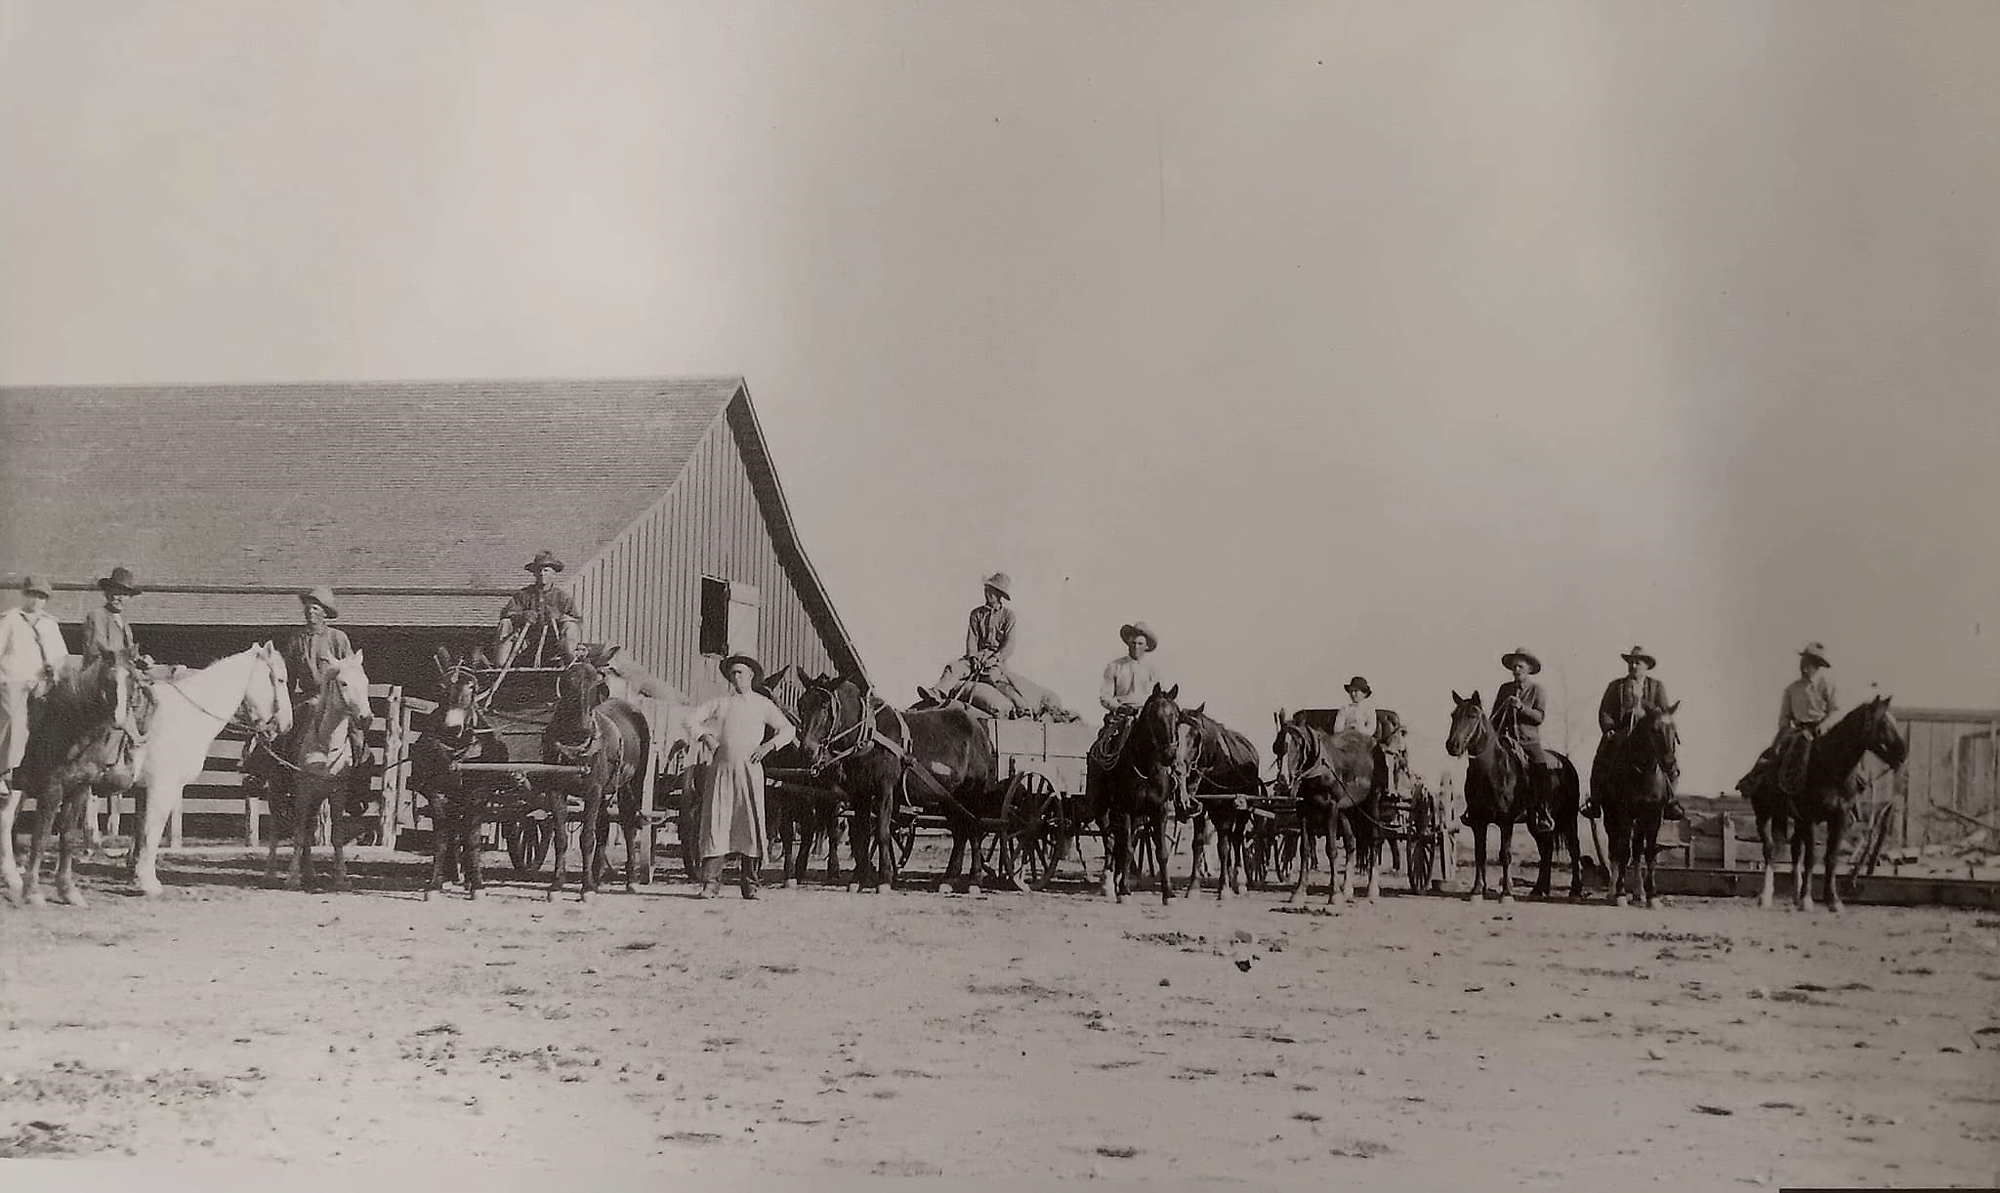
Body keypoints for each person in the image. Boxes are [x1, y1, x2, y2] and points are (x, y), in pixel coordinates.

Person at [689, 654, 796, 899]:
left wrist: (768, 747)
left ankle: (750, 886)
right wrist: (706, 737)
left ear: (751, 676)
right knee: (717, 823)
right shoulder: (721, 703)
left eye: (741, 673)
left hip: (750, 771)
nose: (736, 677)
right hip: (721, 772)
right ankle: (711, 884)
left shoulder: (762, 705)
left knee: (750, 825)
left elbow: (787, 729)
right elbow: (691, 719)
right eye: (733, 673)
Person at [1582, 646, 1682, 821]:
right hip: (1621, 733)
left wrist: (1646, 708)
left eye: (1638, 662)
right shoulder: (1616, 686)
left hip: (1649, 734)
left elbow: (1664, 711)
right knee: (1601, 757)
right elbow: (1605, 710)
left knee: (1667, 757)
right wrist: (1609, 728)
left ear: (1646, 666)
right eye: (1631, 662)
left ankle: (1671, 800)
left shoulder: (1656, 686)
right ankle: (1595, 800)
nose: (1633, 665)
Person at [281, 587, 368, 783]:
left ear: (324, 613)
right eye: (308, 608)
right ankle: (278, 772)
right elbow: (289, 677)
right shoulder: (296, 640)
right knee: (285, 732)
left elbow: (352, 669)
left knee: (358, 737)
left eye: (315, 608)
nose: (310, 612)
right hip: (307, 697)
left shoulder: (338, 638)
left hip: (335, 698)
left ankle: (358, 782)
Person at [1736, 643, 1839, 799]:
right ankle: (1754, 783)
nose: (1803, 664)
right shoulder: (1792, 689)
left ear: (1817, 665)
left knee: (1846, 754)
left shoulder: (1827, 685)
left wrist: (1824, 724)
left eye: (1808, 661)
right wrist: (1784, 732)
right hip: (1799, 730)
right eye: (1803, 660)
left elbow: (1835, 710)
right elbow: (1785, 716)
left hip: (1822, 729)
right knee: (1774, 753)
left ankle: (1852, 798)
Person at [0, 575, 70, 793]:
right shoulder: (9, 619)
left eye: (42, 597)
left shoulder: (49, 623)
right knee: (13, 720)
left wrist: (54, 669)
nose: (37, 601)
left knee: (50, 722)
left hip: (41, 683)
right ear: (24, 594)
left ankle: (40, 770)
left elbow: (61, 656)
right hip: (12, 680)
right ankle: (3, 771)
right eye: (33, 595)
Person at [922, 573, 1027, 713]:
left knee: (995, 679)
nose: (986, 593)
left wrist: (995, 659)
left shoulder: (1008, 616)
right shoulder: (976, 614)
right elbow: (972, 638)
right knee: (953, 667)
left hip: (995, 660)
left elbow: (1009, 646)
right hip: (976, 656)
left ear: (999, 594)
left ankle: (1020, 708)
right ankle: (937, 693)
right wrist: (973, 658)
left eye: (990, 591)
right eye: (986, 590)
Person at [1488, 647, 1558, 835]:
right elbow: (1494, 717)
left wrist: (1521, 708)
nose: (1516, 670)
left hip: (1528, 741)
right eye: (1514, 667)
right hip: (1505, 740)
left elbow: (1539, 717)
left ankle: (1542, 811)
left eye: (1520, 666)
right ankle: (1479, 807)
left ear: (1528, 669)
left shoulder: (1537, 690)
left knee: (1540, 767)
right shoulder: (1505, 689)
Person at [495, 550, 583, 668]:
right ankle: (501, 665)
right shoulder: (523, 595)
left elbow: (577, 621)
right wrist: (521, 616)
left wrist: (559, 617)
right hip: (525, 643)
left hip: (553, 645)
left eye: (546, 570)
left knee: (570, 625)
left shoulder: (563, 597)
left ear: (554, 574)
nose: (542, 574)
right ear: (534, 574)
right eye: (539, 571)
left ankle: (569, 661)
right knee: (505, 623)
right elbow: (507, 613)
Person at [81, 566, 149, 670]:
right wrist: (125, 659)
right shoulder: (97, 616)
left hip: (122, 673)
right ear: (107, 593)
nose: (118, 598)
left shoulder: (125, 624)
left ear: (129, 597)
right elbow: (96, 652)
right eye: (115, 593)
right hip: (102, 675)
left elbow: (131, 654)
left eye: (124, 594)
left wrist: (142, 660)